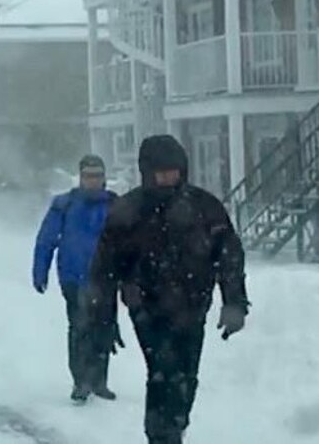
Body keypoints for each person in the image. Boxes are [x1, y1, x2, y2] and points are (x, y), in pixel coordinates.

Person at [83, 134, 249, 444]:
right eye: (161, 172)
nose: (168, 178)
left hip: (193, 306)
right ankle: (161, 436)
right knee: (162, 371)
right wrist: (103, 320)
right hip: (147, 307)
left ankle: (176, 425)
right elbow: (104, 270)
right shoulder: (128, 211)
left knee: (187, 375)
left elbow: (229, 254)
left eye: (174, 171)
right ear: (147, 172)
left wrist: (234, 301)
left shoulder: (204, 206)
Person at [32, 154, 121, 403]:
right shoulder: (65, 204)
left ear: (104, 179)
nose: (93, 181)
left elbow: (129, 241)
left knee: (104, 329)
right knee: (81, 327)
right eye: (88, 176)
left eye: (97, 176)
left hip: (106, 277)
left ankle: (99, 381)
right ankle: (81, 381)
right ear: (81, 178)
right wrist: (40, 270)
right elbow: (46, 239)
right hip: (74, 277)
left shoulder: (115, 205)